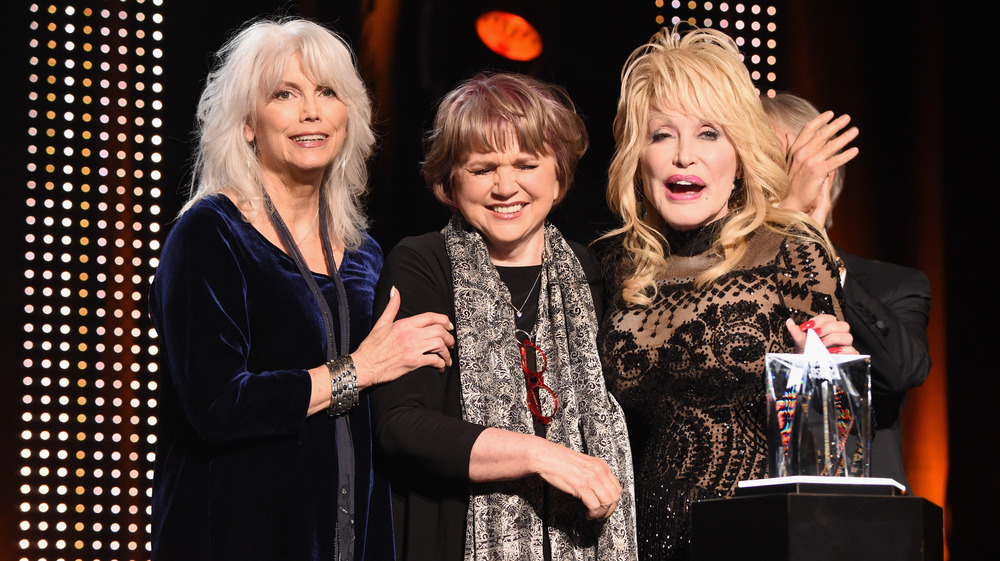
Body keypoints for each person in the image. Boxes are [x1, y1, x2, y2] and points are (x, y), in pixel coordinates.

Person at [148, 18, 454, 561]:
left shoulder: (363, 253)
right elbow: (218, 406)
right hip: (234, 537)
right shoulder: (209, 234)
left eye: (327, 92)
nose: (310, 110)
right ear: (248, 124)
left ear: (348, 115)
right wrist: (359, 370)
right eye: (284, 94)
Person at [598, 27, 855, 560]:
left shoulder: (789, 247)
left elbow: (830, 440)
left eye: (709, 133)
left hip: (758, 540)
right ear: (636, 154)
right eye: (661, 134)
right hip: (635, 542)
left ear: (739, 152)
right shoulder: (617, 267)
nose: (683, 156)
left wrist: (835, 377)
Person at [369, 73, 637, 561]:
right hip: (452, 534)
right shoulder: (421, 264)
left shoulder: (593, 270)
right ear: (448, 183)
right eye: (482, 168)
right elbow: (401, 425)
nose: (505, 186)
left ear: (558, 175)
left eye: (526, 164)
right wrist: (541, 456)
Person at [761, 93, 932, 491]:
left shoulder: (893, 285)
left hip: (858, 523)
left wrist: (815, 253)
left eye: (792, 166)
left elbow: (905, 370)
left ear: (825, 179)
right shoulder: (727, 284)